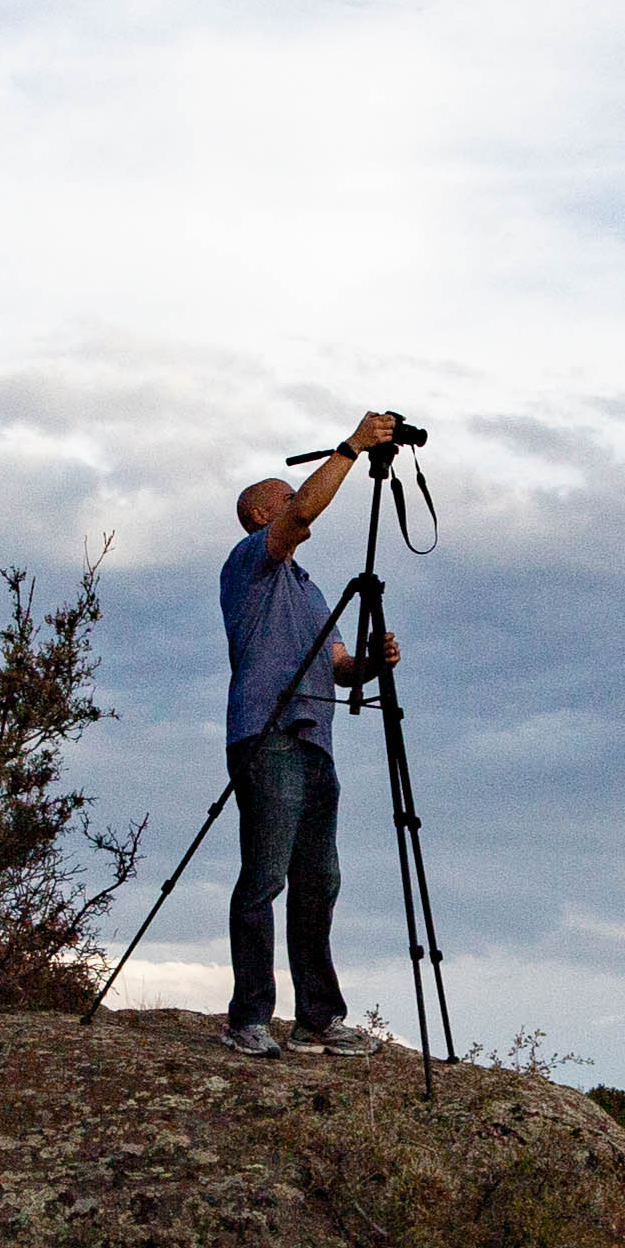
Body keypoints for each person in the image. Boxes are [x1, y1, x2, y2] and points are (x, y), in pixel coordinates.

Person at [218, 413, 405, 1057]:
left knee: (319, 880)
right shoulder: (249, 562)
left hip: (313, 741)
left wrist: (374, 664)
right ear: (259, 514)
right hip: (266, 734)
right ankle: (248, 1017)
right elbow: (302, 514)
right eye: (284, 495)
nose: (296, 500)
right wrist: (351, 448)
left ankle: (317, 1019)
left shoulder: (309, 589)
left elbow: (339, 667)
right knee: (265, 876)